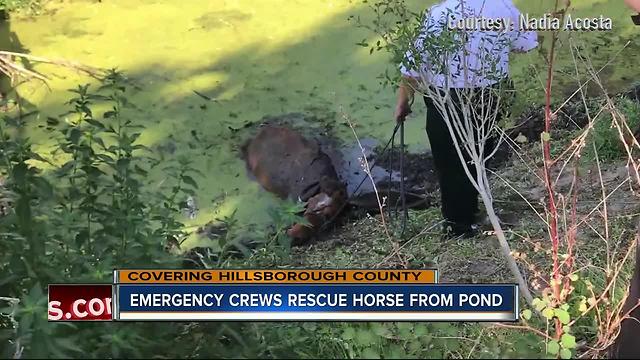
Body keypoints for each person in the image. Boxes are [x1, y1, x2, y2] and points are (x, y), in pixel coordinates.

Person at [393, 0, 538, 237]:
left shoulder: (437, 15)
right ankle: (472, 210)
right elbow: (526, 44)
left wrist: (402, 102)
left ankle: (458, 225)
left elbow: (412, 68)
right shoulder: (503, 7)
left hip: (447, 98)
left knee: (450, 163)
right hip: (492, 94)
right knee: (480, 154)